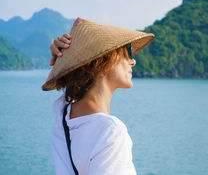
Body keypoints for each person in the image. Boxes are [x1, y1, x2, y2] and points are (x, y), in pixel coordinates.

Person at [42, 17, 155, 175]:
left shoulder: (63, 118)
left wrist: (67, 57)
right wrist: (68, 56)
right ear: (103, 59)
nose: (133, 61)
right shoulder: (110, 131)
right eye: (127, 52)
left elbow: (70, 95)